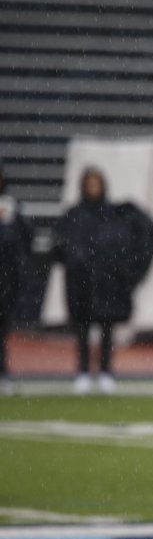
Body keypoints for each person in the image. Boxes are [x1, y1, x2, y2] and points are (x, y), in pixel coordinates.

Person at [54, 167, 153, 395]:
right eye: (90, 185)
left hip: (107, 286)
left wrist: (128, 272)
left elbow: (147, 234)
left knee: (106, 331)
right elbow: (60, 248)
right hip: (81, 286)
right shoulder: (74, 215)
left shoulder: (114, 214)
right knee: (83, 331)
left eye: (97, 184)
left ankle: (106, 372)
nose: (94, 189)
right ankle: (83, 372)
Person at [0, 164, 33, 396]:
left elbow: (25, 242)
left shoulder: (12, 209)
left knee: (3, 330)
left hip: (5, 280)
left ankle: (3, 372)